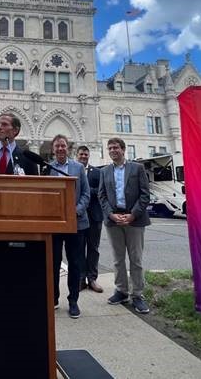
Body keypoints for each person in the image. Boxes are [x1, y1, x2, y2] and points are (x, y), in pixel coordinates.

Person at [98, 137, 151, 314]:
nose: (113, 150)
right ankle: (121, 291)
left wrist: (132, 215)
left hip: (134, 219)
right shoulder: (104, 171)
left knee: (136, 259)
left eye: (116, 148)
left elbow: (145, 195)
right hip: (114, 219)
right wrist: (111, 215)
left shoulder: (137, 168)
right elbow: (102, 196)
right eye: (110, 148)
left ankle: (137, 295)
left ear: (123, 149)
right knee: (117, 259)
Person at [47, 135, 90, 319]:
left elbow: (86, 194)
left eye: (63, 145)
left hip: (76, 224)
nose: (60, 149)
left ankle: (73, 301)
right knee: (53, 263)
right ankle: (54, 299)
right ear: (53, 149)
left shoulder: (78, 168)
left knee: (75, 264)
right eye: (57, 146)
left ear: (68, 148)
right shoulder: (48, 168)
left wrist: (76, 211)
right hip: (55, 224)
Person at [76, 145, 104, 293]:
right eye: (81, 154)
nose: (83, 157)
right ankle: (81, 279)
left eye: (86, 155)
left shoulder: (97, 172)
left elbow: (100, 191)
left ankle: (92, 278)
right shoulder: (73, 171)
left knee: (93, 248)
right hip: (79, 216)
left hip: (95, 216)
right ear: (77, 155)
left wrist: (85, 191)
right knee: (79, 248)